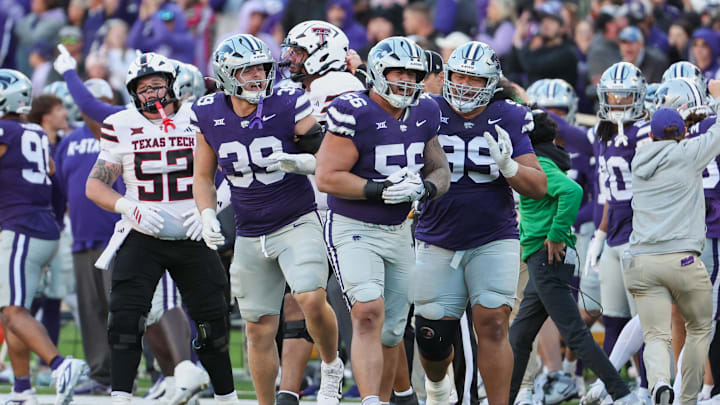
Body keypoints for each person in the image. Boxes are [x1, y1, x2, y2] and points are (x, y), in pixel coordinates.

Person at [191, 34, 342, 405]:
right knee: (258, 329)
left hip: (296, 220)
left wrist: (308, 162)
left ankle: (331, 363)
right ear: (227, 75)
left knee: (309, 296)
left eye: (261, 67)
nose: (258, 75)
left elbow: (328, 153)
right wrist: (207, 212)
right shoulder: (208, 110)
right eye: (248, 70)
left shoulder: (288, 99)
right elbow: (202, 176)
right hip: (249, 231)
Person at [84, 52, 239, 405]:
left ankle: (227, 398)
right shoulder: (120, 123)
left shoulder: (201, 115)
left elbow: (235, 169)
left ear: (173, 84)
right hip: (143, 235)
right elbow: (95, 185)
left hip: (193, 233)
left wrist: (210, 211)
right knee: (124, 319)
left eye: (156, 84)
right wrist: (128, 206)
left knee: (211, 324)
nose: (150, 93)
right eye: (142, 87)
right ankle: (120, 397)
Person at [315, 36, 451, 405]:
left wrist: (424, 189)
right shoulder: (353, 109)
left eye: (413, 73)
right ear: (377, 72)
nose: (407, 80)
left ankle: (392, 397)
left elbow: (441, 170)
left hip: (399, 229)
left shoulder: (425, 110)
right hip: (353, 225)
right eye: (399, 72)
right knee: (368, 312)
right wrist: (376, 190)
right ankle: (370, 399)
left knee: (392, 331)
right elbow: (327, 177)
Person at [410, 41, 545, 405]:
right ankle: (438, 388)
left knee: (494, 324)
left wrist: (511, 167)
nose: (466, 85)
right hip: (437, 235)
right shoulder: (427, 110)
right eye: (459, 76)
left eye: (475, 79)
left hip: (493, 236)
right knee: (431, 334)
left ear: (491, 82)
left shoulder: (510, 115)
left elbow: (538, 186)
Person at [509, 110, 642, 405]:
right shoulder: (543, 159)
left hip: (547, 258)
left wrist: (555, 234)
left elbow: (572, 190)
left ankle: (621, 394)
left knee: (576, 334)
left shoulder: (539, 163)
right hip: (543, 259)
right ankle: (503, 398)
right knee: (518, 336)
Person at [272, 20, 366, 405]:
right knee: (300, 297)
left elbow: (330, 145)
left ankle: (368, 384)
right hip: (313, 204)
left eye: (299, 51)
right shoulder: (317, 85)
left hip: (342, 207)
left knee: (356, 303)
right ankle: (289, 392)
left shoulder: (337, 86)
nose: (291, 59)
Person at [0, 68, 89, 405]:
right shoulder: (35, 132)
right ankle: (22, 389)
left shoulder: (5, 132)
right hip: (43, 229)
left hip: (21, 228)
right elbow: (53, 180)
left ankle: (60, 363)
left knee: (14, 310)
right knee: (12, 311)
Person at [627, 101, 719, 404]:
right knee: (700, 328)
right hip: (683, 259)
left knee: (655, 335)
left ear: (651, 135)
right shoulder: (688, 153)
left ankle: (659, 384)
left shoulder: (638, 158)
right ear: (682, 133)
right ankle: (687, 398)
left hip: (642, 260)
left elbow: (666, 146)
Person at [581, 61, 651, 405]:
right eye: (613, 95)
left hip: (642, 231)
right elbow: (606, 190)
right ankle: (613, 388)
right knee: (613, 317)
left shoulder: (646, 132)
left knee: (647, 320)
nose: (619, 101)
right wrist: (599, 234)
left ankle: (648, 387)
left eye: (625, 95)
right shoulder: (602, 131)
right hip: (613, 233)